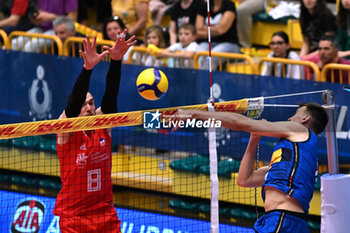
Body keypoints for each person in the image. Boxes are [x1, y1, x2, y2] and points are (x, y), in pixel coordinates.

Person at [172, 102, 329, 233]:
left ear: (305, 118)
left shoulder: (301, 130)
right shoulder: (291, 161)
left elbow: (239, 122)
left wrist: (193, 114)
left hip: (283, 220)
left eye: (295, 113)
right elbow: (244, 180)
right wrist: (254, 138)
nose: (289, 118)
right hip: (279, 220)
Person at [53, 31, 137, 232]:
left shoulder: (102, 124)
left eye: (91, 103)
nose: (89, 108)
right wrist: (88, 69)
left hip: (105, 213)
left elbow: (110, 96)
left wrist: (116, 60)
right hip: (74, 217)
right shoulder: (65, 129)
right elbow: (73, 105)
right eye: (84, 105)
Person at [12, 0, 78, 53]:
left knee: (30, 47)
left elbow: (72, 20)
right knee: (13, 44)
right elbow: (36, 12)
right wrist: (35, 19)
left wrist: (52, 17)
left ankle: (24, 69)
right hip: (40, 28)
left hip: (57, 31)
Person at [195, 0, 240, 69]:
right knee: (198, 55)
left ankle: (208, 79)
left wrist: (204, 28)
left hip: (229, 43)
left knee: (210, 59)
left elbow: (222, 29)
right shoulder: (204, 5)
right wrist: (216, 30)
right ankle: (199, 79)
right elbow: (197, 30)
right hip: (207, 42)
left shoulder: (229, 5)